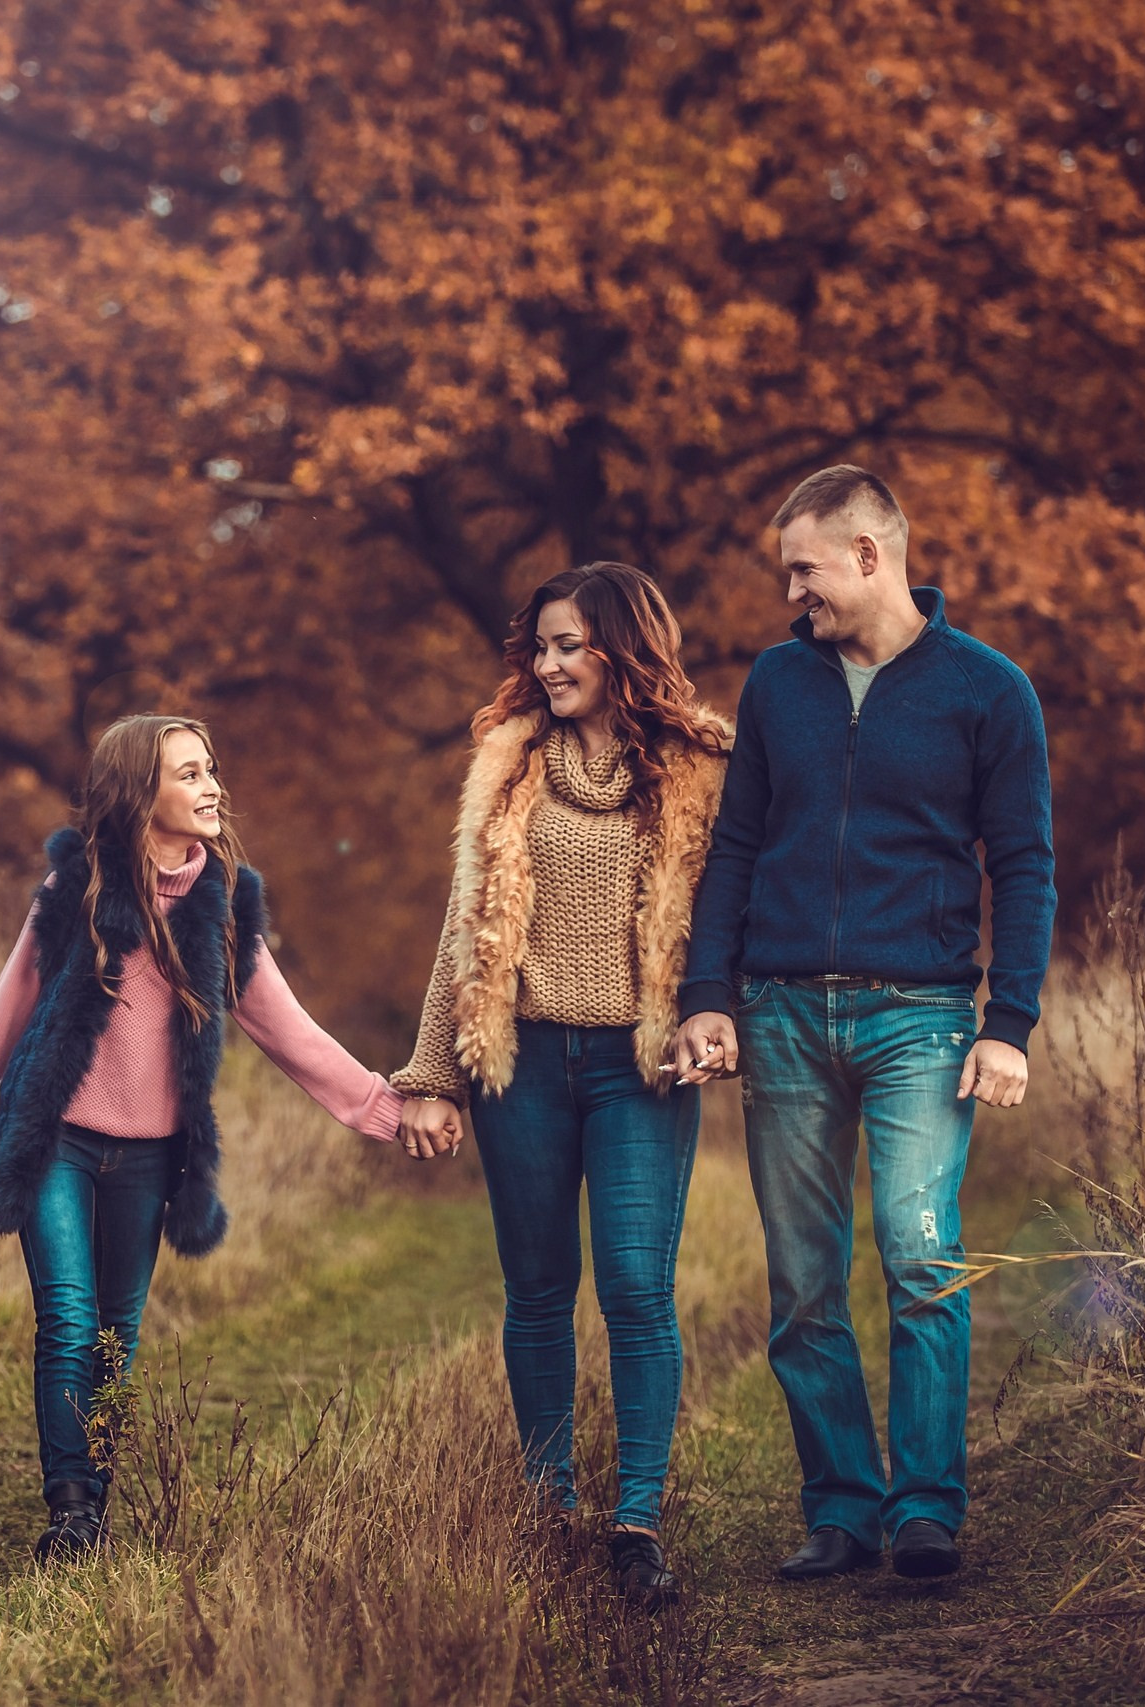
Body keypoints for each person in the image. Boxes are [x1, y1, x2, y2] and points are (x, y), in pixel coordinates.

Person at [0, 713, 434, 1563]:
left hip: (151, 1156)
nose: (213, 785)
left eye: (211, 769)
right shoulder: (73, 893)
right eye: (190, 773)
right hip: (54, 1139)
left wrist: (386, 1107)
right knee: (68, 1319)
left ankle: (96, 1501)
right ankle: (71, 1514)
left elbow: (290, 1031)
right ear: (140, 791)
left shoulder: (222, 913)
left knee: (117, 1331)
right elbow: (7, 1015)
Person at [677, 466, 1055, 1583]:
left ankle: (925, 1508)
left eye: (803, 570)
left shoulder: (989, 691)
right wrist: (709, 994)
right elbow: (736, 847)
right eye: (786, 573)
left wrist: (1011, 1023)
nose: (792, 593)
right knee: (801, 1279)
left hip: (924, 1022)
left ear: (868, 556)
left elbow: (1024, 864)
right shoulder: (776, 684)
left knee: (920, 1256)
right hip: (783, 1013)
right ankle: (840, 1506)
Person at [393, 563, 731, 1611]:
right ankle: (548, 1505)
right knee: (537, 1290)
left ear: (622, 648)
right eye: (536, 647)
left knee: (634, 1287)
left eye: (567, 646)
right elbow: (466, 922)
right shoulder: (506, 761)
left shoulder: (701, 769)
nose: (545, 666)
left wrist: (722, 1027)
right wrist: (431, 1074)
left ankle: (636, 1518)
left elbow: (730, 924)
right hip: (522, 1063)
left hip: (641, 1070)